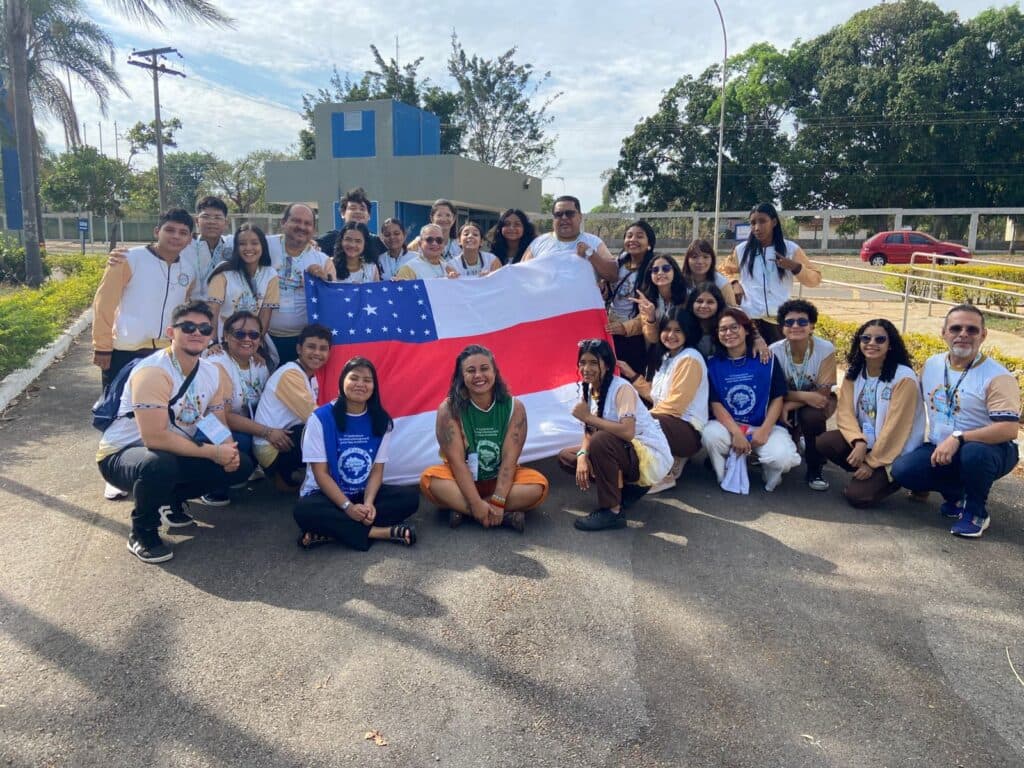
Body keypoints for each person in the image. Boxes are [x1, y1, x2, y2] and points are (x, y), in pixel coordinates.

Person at [97, 301, 252, 563]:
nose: (197, 333)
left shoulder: (211, 372)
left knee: (241, 465)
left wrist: (227, 449)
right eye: (188, 327)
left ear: (211, 335)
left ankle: (170, 499)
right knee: (159, 464)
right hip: (123, 454)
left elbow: (212, 420)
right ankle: (142, 532)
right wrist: (213, 452)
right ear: (171, 332)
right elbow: (154, 438)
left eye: (204, 329)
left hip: (172, 449)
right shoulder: (153, 372)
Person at [891, 305, 1021, 537]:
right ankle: (957, 496)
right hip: (941, 447)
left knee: (974, 453)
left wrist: (959, 437)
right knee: (903, 470)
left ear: (983, 335)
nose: (963, 334)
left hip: (990, 450)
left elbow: (1009, 429)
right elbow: (911, 403)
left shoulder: (997, 376)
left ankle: (976, 512)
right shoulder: (932, 364)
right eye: (956, 328)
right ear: (944, 333)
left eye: (972, 329)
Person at [293, 356, 420, 550]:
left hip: (361, 493)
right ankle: (381, 532)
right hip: (326, 495)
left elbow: (377, 470)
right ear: (342, 382)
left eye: (367, 380)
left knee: (409, 499)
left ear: (374, 387)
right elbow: (321, 474)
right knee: (304, 511)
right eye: (354, 378)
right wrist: (348, 507)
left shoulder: (381, 420)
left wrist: (368, 504)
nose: (360, 384)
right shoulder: (320, 419)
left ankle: (330, 532)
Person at [420, 345, 549, 532]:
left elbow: (509, 461)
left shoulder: (514, 407)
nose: (478, 375)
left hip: (499, 480)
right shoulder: (448, 409)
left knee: (538, 486)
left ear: (495, 372)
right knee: (429, 479)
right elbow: (457, 463)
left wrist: (498, 500)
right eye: (471, 371)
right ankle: (495, 514)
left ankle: (465, 511)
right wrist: (475, 502)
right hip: (461, 479)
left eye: (484, 368)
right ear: (461, 376)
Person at [558, 339, 672, 531]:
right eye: (582, 362)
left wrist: (589, 418)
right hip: (623, 451)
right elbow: (589, 432)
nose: (586, 368)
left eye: (593, 363)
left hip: (649, 455)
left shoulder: (621, 388)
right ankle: (627, 490)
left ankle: (612, 511)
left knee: (601, 441)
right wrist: (582, 456)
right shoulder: (589, 389)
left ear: (607, 365)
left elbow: (628, 432)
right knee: (568, 457)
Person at [817, 319, 925, 508]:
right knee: (825, 442)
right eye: (866, 338)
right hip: (867, 442)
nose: (871, 343)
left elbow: (896, 428)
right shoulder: (855, 372)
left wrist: (872, 463)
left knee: (857, 497)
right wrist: (858, 441)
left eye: (880, 339)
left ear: (890, 345)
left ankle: (897, 479)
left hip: (894, 451)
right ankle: (867, 477)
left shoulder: (904, 378)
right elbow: (845, 414)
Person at [92, 208, 199, 393]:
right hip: (125, 350)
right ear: (157, 232)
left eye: (183, 233)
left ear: (190, 239)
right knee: (118, 406)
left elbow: (183, 312)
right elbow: (104, 303)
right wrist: (102, 347)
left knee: (158, 405)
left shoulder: (189, 270)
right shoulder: (129, 259)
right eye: (170, 230)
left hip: (165, 354)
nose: (176, 236)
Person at [702, 308, 801, 492]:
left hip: (764, 426)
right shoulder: (712, 364)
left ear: (746, 330)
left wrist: (764, 430)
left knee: (782, 458)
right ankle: (724, 472)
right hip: (730, 426)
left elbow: (777, 398)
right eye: (723, 329)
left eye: (734, 327)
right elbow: (715, 404)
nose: (728, 333)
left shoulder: (766, 359)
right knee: (710, 434)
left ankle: (769, 470)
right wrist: (737, 433)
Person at [617, 308, 709, 495]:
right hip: (668, 424)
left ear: (688, 332)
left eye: (678, 330)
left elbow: (675, 406)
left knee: (635, 426)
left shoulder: (690, 358)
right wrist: (632, 375)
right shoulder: (668, 357)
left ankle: (663, 474)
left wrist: (642, 418)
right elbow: (655, 395)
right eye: (667, 329)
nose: (671, 335)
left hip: (686, 430)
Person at [205, 310, 282, 505]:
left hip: (242, 424)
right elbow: (224, 416)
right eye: (239, 334)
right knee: (243, 440)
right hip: (209, 425)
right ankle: (210, 486)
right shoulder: (217, 363)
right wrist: (266, 432)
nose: (247, 339)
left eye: (254, 335)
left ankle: (240, 474)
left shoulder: (259, 365)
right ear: (226, 336)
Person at [721, 202, 821, 343]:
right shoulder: (742, 250)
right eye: (753, 223)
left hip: (779, 322)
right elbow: (722, 271)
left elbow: (815, 279)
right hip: (750, 321)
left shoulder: (790, 249)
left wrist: (795, 267)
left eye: (762, 221)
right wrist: (734, 283)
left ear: (774, 222)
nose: (757, 228)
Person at [769, 299, 837, 491]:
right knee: (777, 417)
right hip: (787, 399)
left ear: (812, 326)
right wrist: (805, 397)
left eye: (802, 321)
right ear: (782, 327)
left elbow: (822, 394)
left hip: (814, 402)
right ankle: (787, 446)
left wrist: (791, 404)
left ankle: (815, 468)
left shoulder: (825, 349)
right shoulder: (774, 351)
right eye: (789, 322)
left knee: (812, 416)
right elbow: (774, 391)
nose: (795, 326)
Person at [253, 323, 331, 491]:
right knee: (324, 429)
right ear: (299, 349)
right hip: (272, 446)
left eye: (323, 349)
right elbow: (313, 416)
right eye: (311, 347)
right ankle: (286, 477)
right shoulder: (290, 374)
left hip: (285, 438)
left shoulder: (310, 376)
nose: (317, 353)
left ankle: (293, 477)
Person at [266, 204, 334, 366]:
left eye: (307, 223)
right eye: (296, 221)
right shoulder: (265, 246)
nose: (302, 227)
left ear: (314, 229)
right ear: (283, 222)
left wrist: (324, 280)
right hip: (262, 338)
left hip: (302, 344)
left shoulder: (322, 260)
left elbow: (332, 299)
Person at [205, 223, 279, 340]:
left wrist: (255, 341)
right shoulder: (224, 271)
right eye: (242, 244)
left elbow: (265, 315)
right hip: (223, 335)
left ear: (263, 245)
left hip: (252, 337)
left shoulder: (270, 274)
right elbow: (213, 310)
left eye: (254, 243)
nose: (248, 248)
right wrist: (213, 342)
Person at [521, 195, 619, 282]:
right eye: (558, 214)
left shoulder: (594, 242)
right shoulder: (538, 243)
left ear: (580, 217)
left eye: (569, 213)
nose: (564, 217)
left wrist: (591, 253)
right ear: (553, 219)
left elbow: (613, 274)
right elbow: (521, 276)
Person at [603, 220, 657, 373]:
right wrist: (603, 287)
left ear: (649, 243)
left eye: (639, 236)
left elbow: (652, 309)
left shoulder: (653, 270)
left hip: (634, 338)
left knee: (629, 379)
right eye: (629, 236)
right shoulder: (618, 263)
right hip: (610, 331)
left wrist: (625, 328)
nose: (633, 240)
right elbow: (609, 292)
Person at [684, 282, 769, 362]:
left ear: (718, 304)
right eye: (699, 301)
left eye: (710, 302)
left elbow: (749, 328)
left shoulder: (729, 319)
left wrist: (757, 339)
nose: (704, 306)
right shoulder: (684, 324)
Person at [316, 187, 387, 260]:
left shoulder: (376, 242)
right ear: (343, 213)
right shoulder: (330, 239)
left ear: (369, 216)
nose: (358, 212)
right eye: (353, 208)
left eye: (362, 209)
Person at [183, 196, 233, 301]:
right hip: (192, 307)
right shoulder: (184, 246)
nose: (212, 222)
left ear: (226, 222)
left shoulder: (232, 244)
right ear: (197, 221)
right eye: (206, 217)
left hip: (223, 307)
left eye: (218, 217)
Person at [681, 238, 737, 305]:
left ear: (712, 260)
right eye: (694, 257)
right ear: (687, 260)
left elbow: (732, 309)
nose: (700, 262)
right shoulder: (679, 281)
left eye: (705, 257)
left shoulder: (722, 284)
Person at [394, 224, 459, 280]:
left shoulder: (449, 269)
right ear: (420, 243)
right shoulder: (409, 269)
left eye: (439, 240)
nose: (435, 243)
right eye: (429, 240)